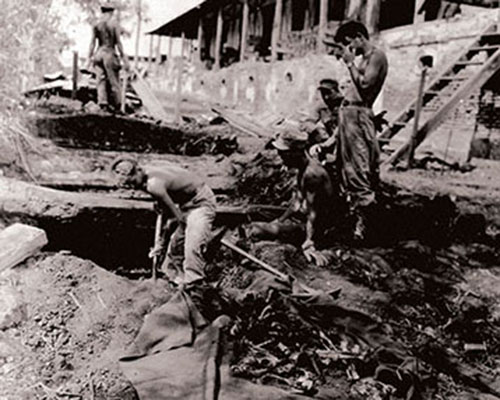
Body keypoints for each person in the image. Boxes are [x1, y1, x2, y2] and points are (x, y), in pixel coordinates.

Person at [321, 20, 388, 241]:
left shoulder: (377, 56)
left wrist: (350, 64)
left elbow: (366, 86)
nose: (351, 49)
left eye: (350, 43)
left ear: (360, 36)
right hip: (350, 117)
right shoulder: (365, 59)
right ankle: (351, 220)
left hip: (358, 117)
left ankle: (366, 228)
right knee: (344, 170)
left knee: (358, 170)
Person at [111, 158, 216, 286]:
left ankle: (194, 285)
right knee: (175, 248)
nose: (133, 187)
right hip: (184, 204)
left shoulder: (153, 184)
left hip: (200, 203)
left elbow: (177, 219)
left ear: (137, 172)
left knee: (192, 246)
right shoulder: (146, 172)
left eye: (132, 182)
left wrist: (161, 242)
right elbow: (168, 208)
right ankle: (174, 281)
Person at [268, 128, 343, 266]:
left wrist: (309, 242)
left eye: (283, 153)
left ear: (295, 152)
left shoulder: (312, 174)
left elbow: (314, 213)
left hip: (321, 228)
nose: (280, 156)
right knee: (263, 218)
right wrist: (280, 220)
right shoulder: (302, 168)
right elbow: (297, 202)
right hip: (306, 220)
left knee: (256, 230)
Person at [87, 1, 129, 112]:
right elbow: (118, 43)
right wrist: (124, 59)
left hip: (98, 54)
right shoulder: (114, 23)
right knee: (114, 81)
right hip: (109, 53)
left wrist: (88, 58)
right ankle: (118, 106)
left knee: (100, 81)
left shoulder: (97, 24)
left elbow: (92, 43)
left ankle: (103, 104)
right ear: (111, 11)